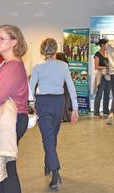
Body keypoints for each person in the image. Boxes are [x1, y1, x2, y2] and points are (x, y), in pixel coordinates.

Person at [29, 38, 79, 190]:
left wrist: (31, 105)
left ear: (42, 50)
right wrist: (75, 108)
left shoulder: (37, 67)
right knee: (51, 136)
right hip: (58, 103)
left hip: (43, 104)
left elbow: (30, 89)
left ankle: (53, 169)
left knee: (48, 137)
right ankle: (51, 166)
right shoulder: (63, 66)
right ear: (55, 49)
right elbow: (71, 87)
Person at [0, 24, 29, 193]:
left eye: (1, 38)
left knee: (5, 167)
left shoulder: (12, 66)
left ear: (14, 42)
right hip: (9, 119)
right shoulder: (7, 63)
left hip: (11, 120)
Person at [93, 38, 111, 118]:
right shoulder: (97, 54)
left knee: (107, 94)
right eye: (107, 44)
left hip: (108, 76)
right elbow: (96, 67)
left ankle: (106, 111)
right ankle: (96, 113)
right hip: (101, 76)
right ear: (102, 45)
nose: (108, 46)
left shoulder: (108, 53)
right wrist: (105, 66)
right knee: (99, 94)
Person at [55, 52, 74, 122]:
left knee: (60, 101)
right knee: (65, 101)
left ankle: (62, 117)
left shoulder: (58, 65)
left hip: (60, 84)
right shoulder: (66, 64)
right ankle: (65, 116)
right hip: (66, 84)